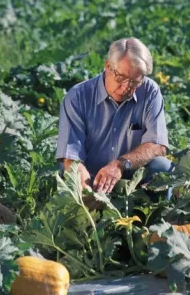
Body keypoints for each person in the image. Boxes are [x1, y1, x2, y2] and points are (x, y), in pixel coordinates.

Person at [56, 37, 174, 195]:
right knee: (71, 182)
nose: (126, 87)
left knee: (163, 168)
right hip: (89, 177)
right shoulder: (78, 96)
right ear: (107, 66)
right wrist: (86, 189)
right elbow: (71, 157)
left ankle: (158, 217)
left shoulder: (149, 91)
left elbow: (157, 145)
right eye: (121, 78)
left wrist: (120, 165)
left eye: (134, 82)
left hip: (131, 177)